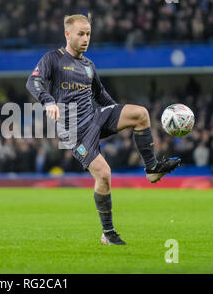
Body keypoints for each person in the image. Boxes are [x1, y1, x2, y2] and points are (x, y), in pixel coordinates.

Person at [26, 14, 181, 245]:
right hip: (74, 131)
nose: (86, 38)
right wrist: (48, 101)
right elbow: (33, 81)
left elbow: (101, 96)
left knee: (140, 114)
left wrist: (119, 114)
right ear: (67, 34)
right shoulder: (53, 59)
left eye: (88, 33)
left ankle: (152, 168)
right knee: (104, 174)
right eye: (80, 34)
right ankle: (108, 234)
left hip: (94, 118)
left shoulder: (89, 66)